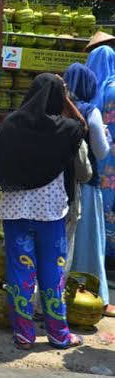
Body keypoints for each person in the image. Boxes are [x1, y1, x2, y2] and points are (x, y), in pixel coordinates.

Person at [0, 73, 87, 349]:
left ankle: (23, 334)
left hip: (16, 212)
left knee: (21, 274)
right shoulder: (65, 128)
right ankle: (58, 334)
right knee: (52, 275)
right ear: (58, 98)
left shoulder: (11, 124)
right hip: (51, 212)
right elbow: (83, 127)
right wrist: (66, 99)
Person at [65, 64, 109, 292]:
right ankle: (88, 290)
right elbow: (101, 151)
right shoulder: (91, 111)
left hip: (59, 186)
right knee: (88, 241)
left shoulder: (57, 107)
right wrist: (106, 136)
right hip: (86, 185)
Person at [85, 45, 115, 316]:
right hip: (110, 156)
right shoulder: (114, 86)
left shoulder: (85, 90)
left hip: (93, 163)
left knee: (96, 215)